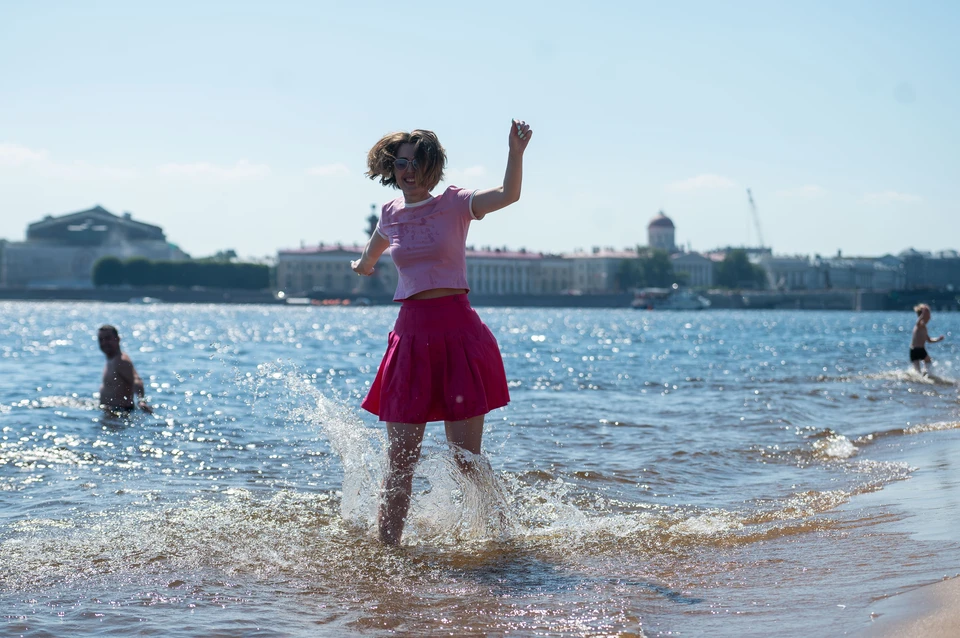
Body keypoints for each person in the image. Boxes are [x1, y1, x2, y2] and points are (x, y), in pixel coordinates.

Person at [351, 119, 533, 545]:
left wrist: (515, 153)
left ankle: (503, 538)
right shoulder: (390, 214)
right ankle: (386, 553)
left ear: (432, 168)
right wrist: (361, 266)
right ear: (390, 169)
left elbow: (509, 195)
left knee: (465, 460)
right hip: (410, 341)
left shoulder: (455, 204)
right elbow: (371, 252)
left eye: (416, 163)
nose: (407, 171)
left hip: (458, 336)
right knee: (399, 463)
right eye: (400, 164)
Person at [97, 325, 153, 414]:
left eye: (108, 339)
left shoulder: (121, 361)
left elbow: (136, 380)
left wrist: (141, 400)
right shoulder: (111, 359)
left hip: (121, 415)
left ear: (117, 339)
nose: (104, 343)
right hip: (111, 413)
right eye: (101, 340)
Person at [910, 303, 945, 375]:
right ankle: (927, 375)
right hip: (917, 350)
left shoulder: (924, 327)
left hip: (915, 350)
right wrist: (922, 315)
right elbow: (917, 323)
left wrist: (938, 339)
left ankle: (924, 376)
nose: (930, 317)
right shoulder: (920, 325)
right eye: (928, 314)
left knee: (919, 370)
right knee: (927, 362)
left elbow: (929, 340)